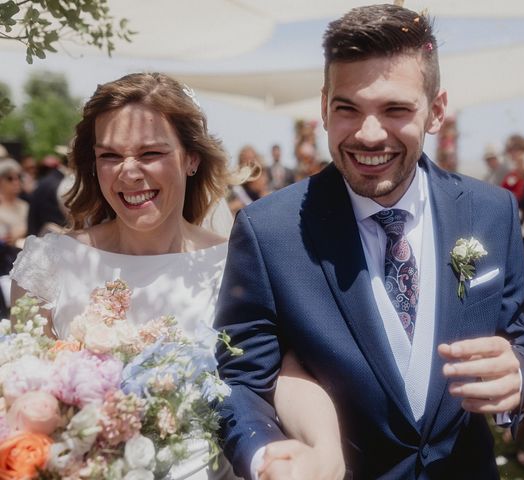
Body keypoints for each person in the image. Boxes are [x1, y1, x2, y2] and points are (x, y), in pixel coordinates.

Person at [215, 5, 524, 479]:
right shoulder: (269, 231)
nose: (369, 135)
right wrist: (267, 454)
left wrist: (519, 375)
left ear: (437, 110)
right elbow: (241, 378)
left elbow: (518, 338)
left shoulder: (492, 212)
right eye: (348, 108)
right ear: (324, 107)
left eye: (395, 109)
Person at [9, 72, 344, 480]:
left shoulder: (240, 262)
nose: (128, 173)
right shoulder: (49, 265)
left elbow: (283, 377)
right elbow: (23, 405)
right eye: (109, 156)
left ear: (191, 158)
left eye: (150, 153)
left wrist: (323, 450)